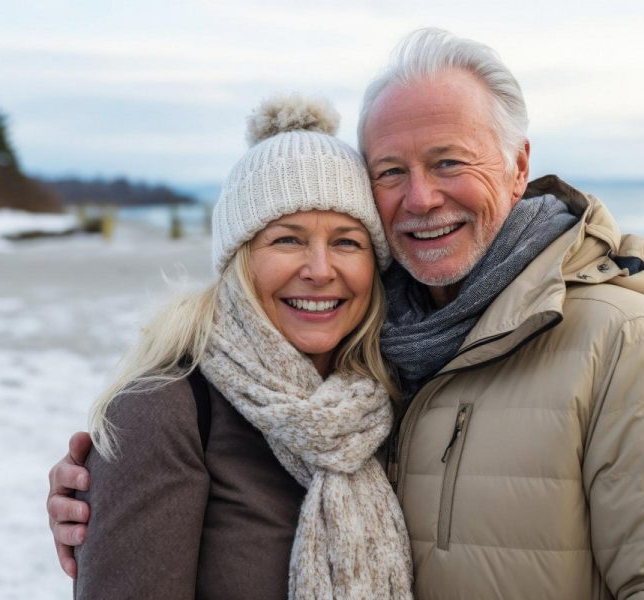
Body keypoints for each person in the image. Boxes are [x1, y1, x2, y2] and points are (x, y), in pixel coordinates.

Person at [49, 29, 644, 599]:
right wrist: (112, 496)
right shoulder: (395, 359)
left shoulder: (630, 347)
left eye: (449, 162)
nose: (420, 199)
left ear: (519, 166)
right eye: (391, 171)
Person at [59, 94, 414, 599]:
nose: (319, 269)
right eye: (287, 240)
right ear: (238, 262)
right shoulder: (162, 412)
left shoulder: (391, 403)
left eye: (347, 242)